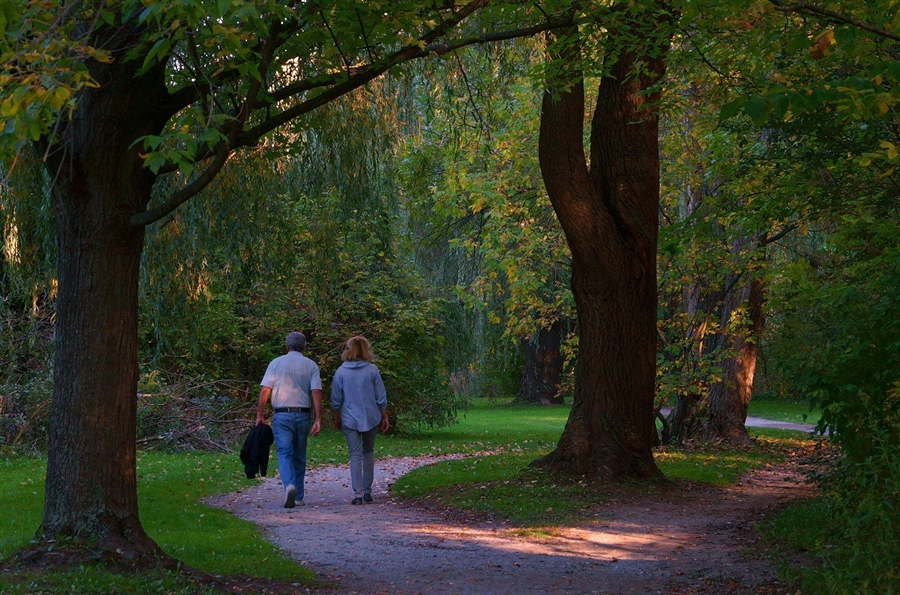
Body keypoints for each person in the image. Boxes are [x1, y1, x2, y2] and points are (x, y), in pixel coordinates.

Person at [256, 331, 322, 508]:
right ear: (304, 347)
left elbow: (265, 390)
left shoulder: (276, 363)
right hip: (303, 414)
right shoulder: (311, 365)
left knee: (284, 453)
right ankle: (299, 495)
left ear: (286, 346)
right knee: (299, 455)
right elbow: (315, 391)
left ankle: (289, 485)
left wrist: (259, 415)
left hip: (282, 414)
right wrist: (318, 418)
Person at [331, 336, 389, 505]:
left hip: (349, 418)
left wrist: (337, 417)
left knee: (354, 454)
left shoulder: (341, 371)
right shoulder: (372, 370)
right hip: (370, 416)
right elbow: (381, 396)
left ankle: (357, 493)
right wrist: (384, 414)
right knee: (368, 452)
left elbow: (336, 399)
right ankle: (368, 491)